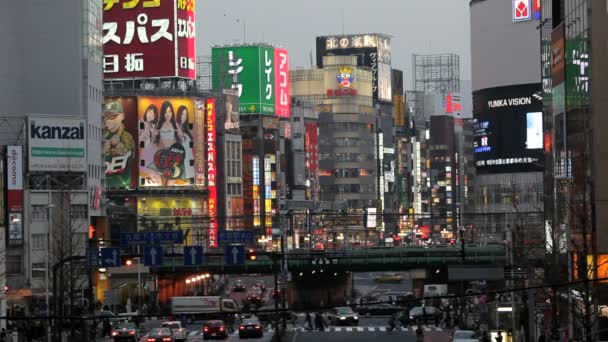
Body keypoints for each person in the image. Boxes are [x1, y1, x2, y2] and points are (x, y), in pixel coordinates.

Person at [103, 100, 135, 187]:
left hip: (122, 183)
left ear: (122, 116)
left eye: (112, 116)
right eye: (105, 117)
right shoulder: (101, 134)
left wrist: (115, 144)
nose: (107, 120)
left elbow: (127, 153)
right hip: (102, 182)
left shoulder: (127, 137)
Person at [176, 105, 194, 181]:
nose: (184, 117)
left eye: (186, 115)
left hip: (189, 163)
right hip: (180, 165)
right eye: (182, 114)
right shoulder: (175, 127)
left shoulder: (185, 128)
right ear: (179, 114)